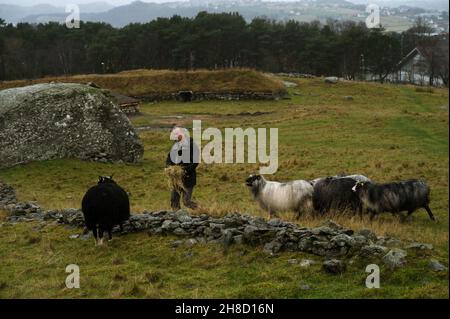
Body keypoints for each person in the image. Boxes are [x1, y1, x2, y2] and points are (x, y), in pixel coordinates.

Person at [165, 127, 200, 210]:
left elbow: (195, 162)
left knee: (186, 201)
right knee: (174, 201)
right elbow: (169, 158)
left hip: (188, 178)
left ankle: (201, 210)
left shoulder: (192, 146)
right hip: (176, 178)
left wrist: (184, 170)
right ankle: (177, 218)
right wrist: (168, 167)